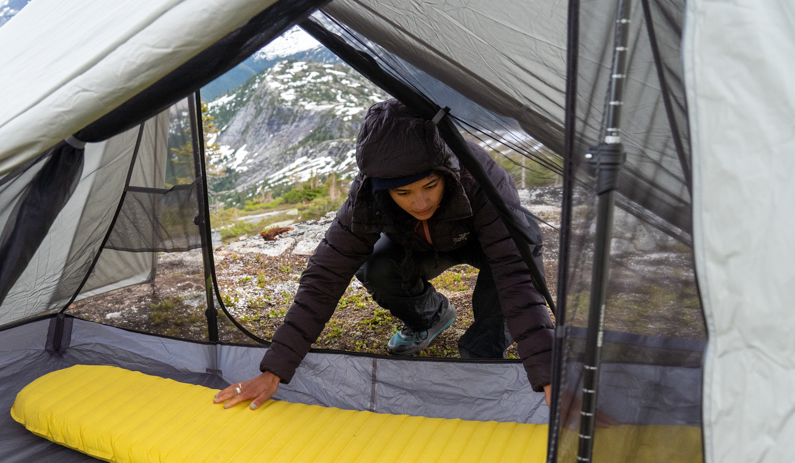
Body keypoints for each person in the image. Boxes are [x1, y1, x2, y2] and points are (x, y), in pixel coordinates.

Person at [215, 99, 554, 410]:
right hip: (420, 247)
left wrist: (549, 374)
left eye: (430, 186)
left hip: (480, 242)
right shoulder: (367, 194)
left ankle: (482, 354)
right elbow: (325, 275)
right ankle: (430, 316)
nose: (420, 203)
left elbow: (516, 275)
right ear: (381, 187)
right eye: (403, 192)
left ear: (445, 173)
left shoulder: (480, 178)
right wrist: (274, 369)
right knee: (375, 265)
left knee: (520, 248)